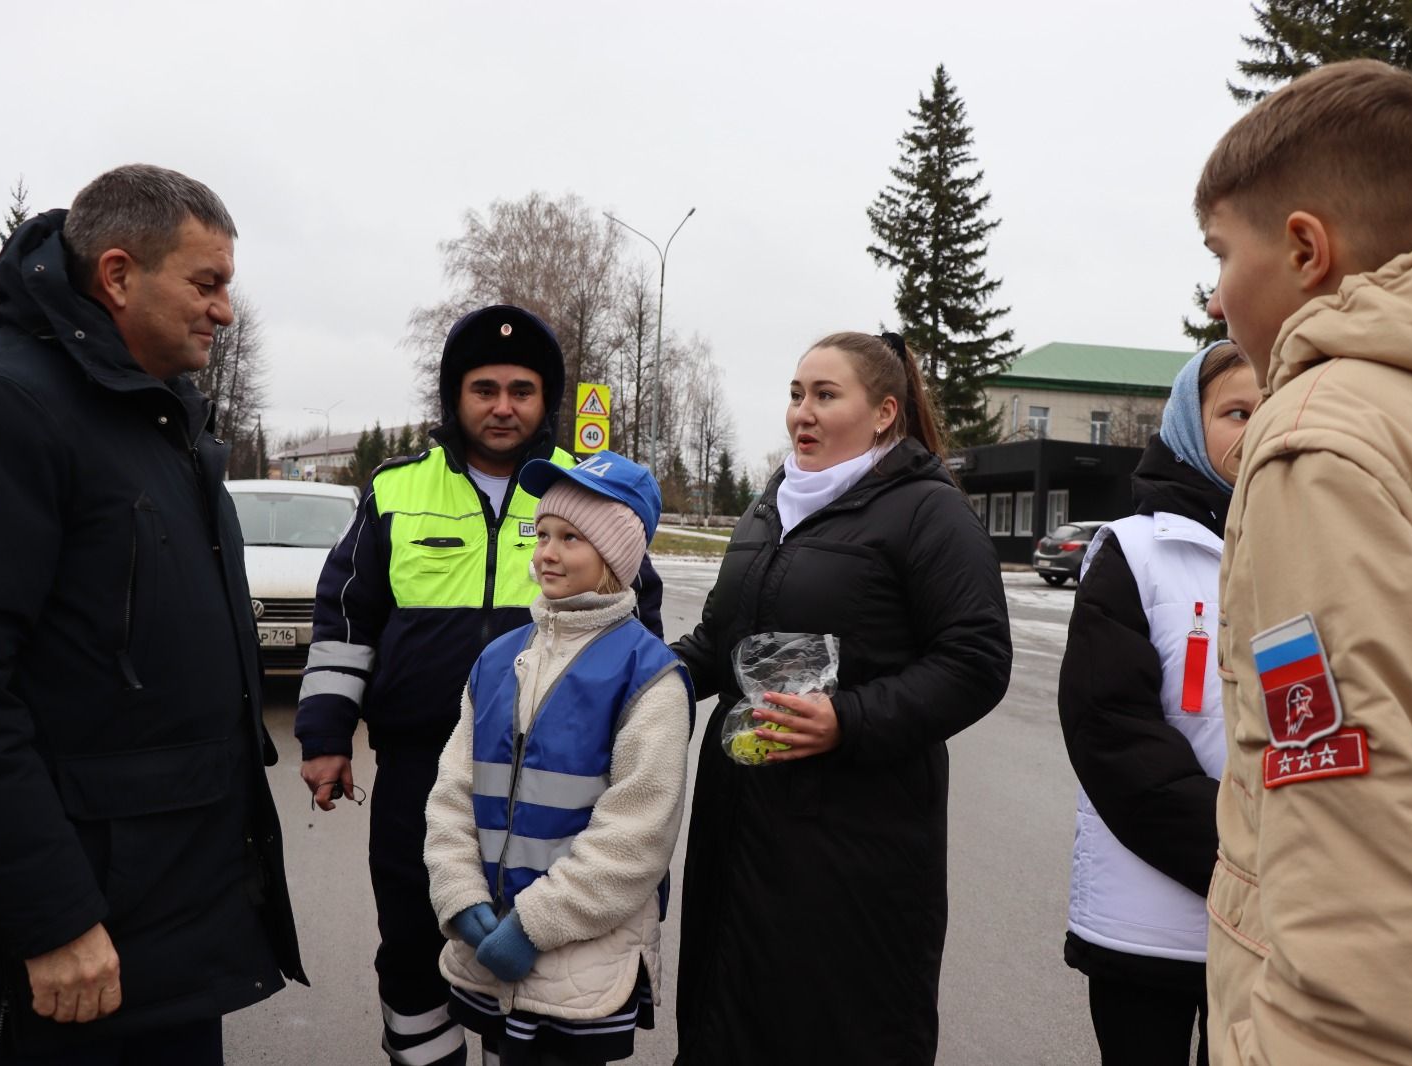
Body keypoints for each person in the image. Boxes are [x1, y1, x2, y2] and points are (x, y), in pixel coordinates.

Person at [0, 164, 305, 1064]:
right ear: (117, 275)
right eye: (207, 284)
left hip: (164, 932)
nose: (225, 312)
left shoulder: (154, 420)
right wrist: (53, 919)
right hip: (75, 950)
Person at [1195, 60, 1412, 1062]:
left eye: (1220, 254)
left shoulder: (1318, 445)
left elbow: (1357, 827)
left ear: (1304, 248)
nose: (1213, 297)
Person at [293, 307, 664, 1066]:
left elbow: (640, 627)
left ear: (545, 400)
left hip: (556, 786)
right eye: (484, 388)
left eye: (522, 390)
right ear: (453, 397)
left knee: (535, 954)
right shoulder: (397, 490)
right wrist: (327, 736)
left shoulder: (583, 494)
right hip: (419, 767)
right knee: (412, 942)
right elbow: (345, 620)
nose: (503, 406)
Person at [671, 331, 1012, 1065]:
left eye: (826, 395)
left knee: (832, 1027)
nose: (803, 412)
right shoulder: (770, 508)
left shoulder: (927, 512)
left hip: (855, 841)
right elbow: (719, 642)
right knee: (728, 1015)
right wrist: (640, 679)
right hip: (738, 823)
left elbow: (976, 660)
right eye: (797, 394)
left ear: (885, 413)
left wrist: (848, 720)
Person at [423, 450, 690, 1066]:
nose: (546, 551)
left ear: (615, 556)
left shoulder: (648, 677)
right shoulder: (496, 662)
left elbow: (637, 835)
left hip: (579, 957)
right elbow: (452, 792)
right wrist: (459, 895)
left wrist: (535, 924)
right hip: (487, 944)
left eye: (571, 537)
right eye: (542, 533)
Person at [1057, 341, 1258, 1065]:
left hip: (1272, 923)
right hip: (1147, 923)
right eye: (1236, 411)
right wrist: (1238, 855)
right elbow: (1110, 734)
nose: (1256, 429)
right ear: (1183, 425)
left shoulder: (1304, 545)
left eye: (1271, 410)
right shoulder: (1134, 553)